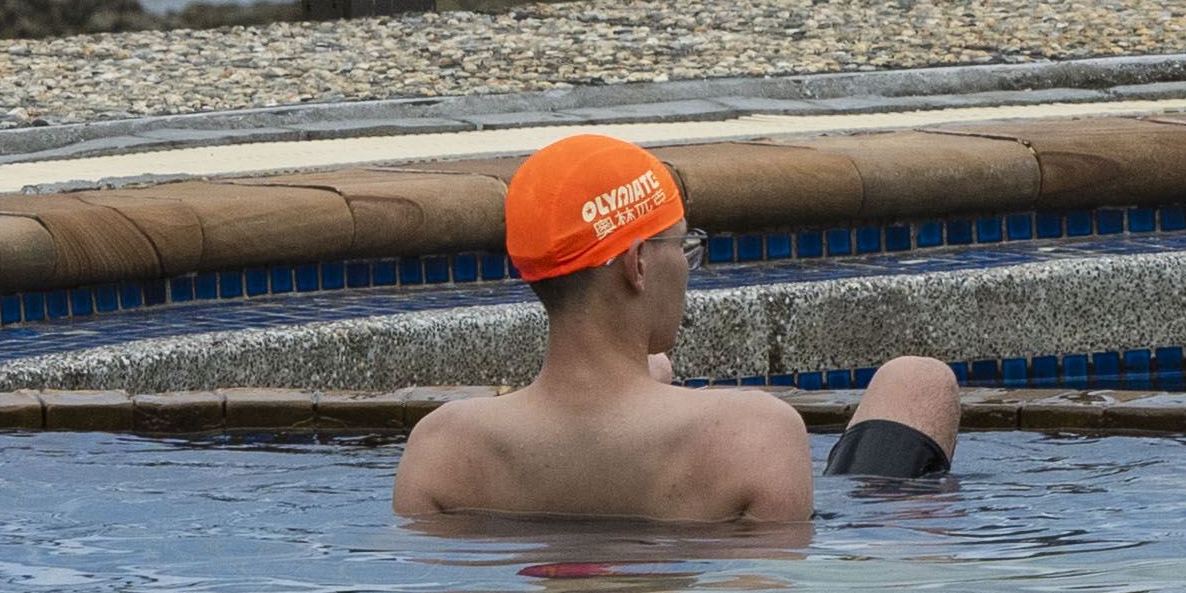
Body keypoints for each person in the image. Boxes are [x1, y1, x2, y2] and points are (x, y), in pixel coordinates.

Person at [392, 130, 968, 529]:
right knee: (916, 379)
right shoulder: (754, 434)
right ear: (638, 263)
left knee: (658, 373)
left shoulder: (442, 447)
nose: (689, 270)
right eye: (684, 246)